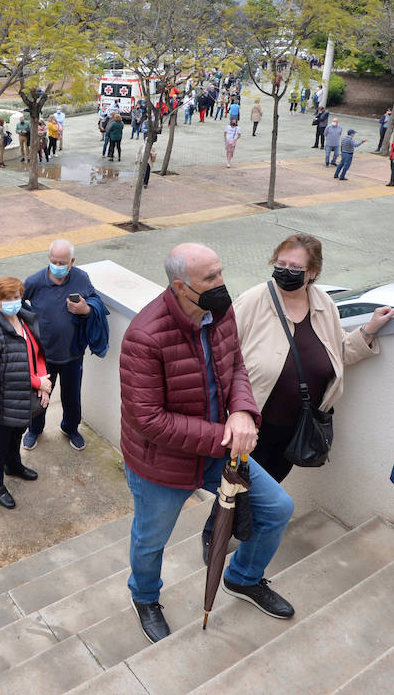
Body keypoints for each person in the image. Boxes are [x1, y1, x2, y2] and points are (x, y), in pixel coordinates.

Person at [121, 242, 295, 644]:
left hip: (218, 451)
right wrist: (224, 436)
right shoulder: (144, 336)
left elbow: (235, 368)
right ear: (181, 286)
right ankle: (145, 597)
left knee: (278, 509)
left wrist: (242, 412)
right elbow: (148, 419)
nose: (222, 283)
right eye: (211, 278)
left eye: (220, 272)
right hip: (162, 464)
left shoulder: (220, 312)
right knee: (151, 541)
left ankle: (243, 578)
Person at [231, 234, 393, 482]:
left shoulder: (323, 304)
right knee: (239, 496)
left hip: (296, 431)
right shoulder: (253, 301)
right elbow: (223, 355)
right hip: (253, 427)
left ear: (313, 272)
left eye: (296, 267)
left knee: (268, 493)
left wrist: (369, 329)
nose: (286, 272)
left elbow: (337, 352)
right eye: (281, 265)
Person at [0, 276, 50, 510]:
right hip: (1, 400)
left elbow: (37, 353)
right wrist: (38, 382)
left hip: (22, 396)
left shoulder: (24, 318)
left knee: (17, 433)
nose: (13, 302)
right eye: (7, 298)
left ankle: (13, 465)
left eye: (16, 297)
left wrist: (44, 380)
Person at [21, 240, 96, 452]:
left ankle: (70, 428)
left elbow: (94, 302)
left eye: (62, 262)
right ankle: (34, 430)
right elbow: (17, 303)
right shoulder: (35, 281)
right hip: (43, 355)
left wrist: (86, 309)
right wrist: (30, 324)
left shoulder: (81, 278)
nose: (57, 265)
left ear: (72, 261)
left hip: (73, 353)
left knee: (72, 397)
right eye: (53, 261)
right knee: (39, 397)